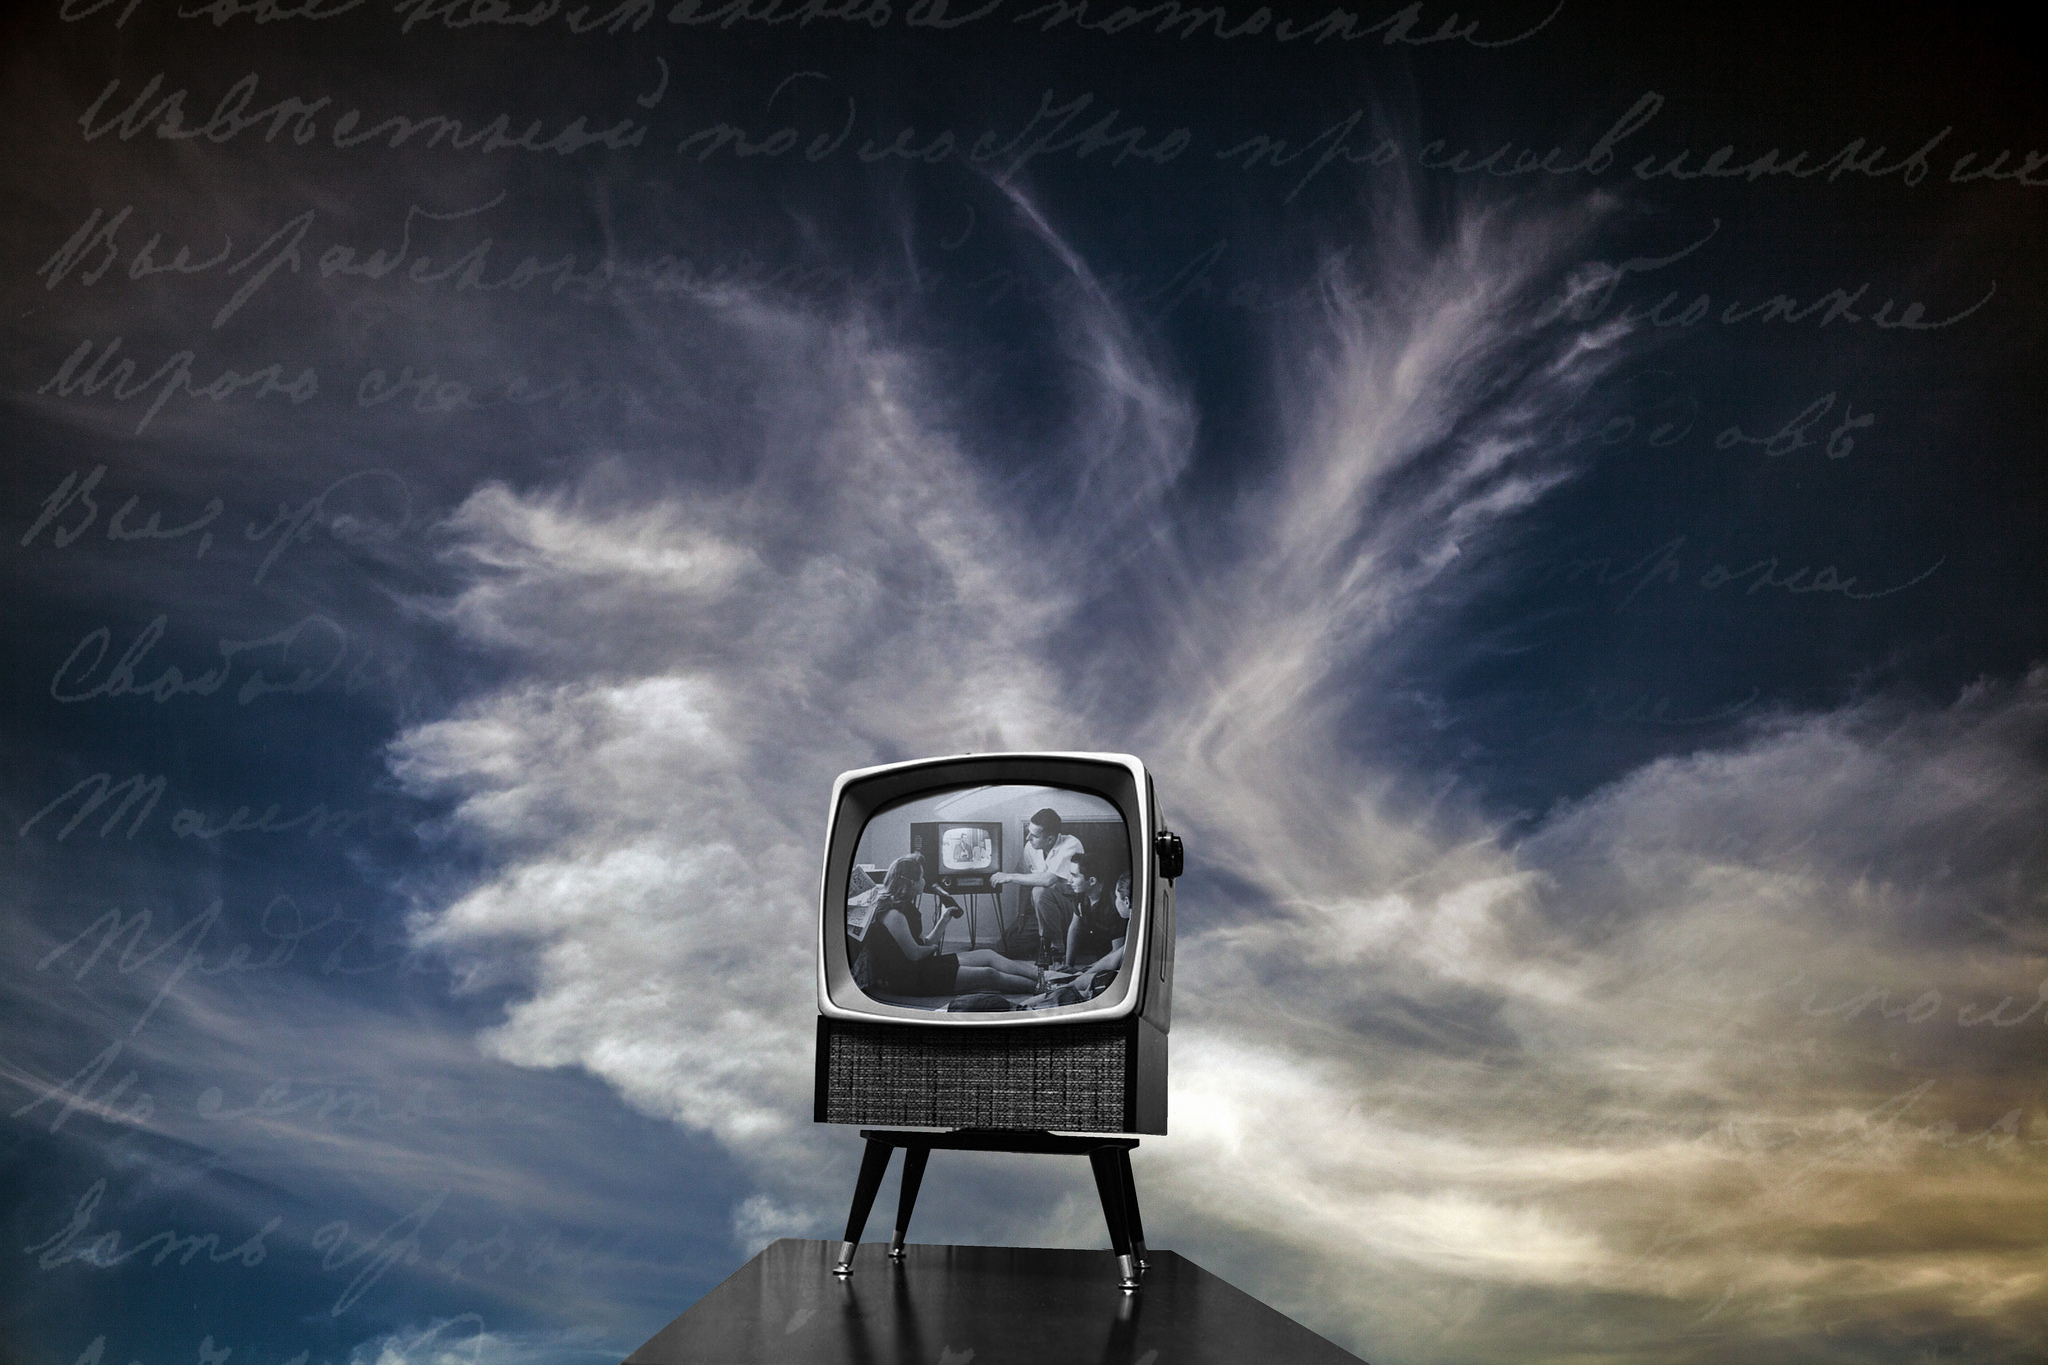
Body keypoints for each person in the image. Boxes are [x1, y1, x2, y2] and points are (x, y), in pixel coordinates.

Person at [853, 855, 1043, 998]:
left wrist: (944, 919)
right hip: (909, 979)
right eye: (922, 877)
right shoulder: (894, 914)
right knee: (988, 974)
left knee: (987, 955)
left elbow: (922, 943)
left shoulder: (905, 906)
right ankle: (1041, 988)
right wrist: (934, 948)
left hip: (921, 966)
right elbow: (916, 954)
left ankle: (1042, 976)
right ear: (911, 883)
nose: (925, 881)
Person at [991, 807, 1084, 967]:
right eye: (1028, 832)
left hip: (1071, 911)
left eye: (1034, 835)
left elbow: (1048, 880)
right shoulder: (1030, 847)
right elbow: (1026, 882)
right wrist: (1021, 916)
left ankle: (1057, 948)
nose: (1028, 838)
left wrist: (1009, 876)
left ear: (1050, 839)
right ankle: (1045, 942)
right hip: (1042, 913)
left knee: (1040, 891)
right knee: (1003, 948)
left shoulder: (1071, 844)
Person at [1063, 851, 1127, 971]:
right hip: (1097, 956)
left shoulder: (1115, 905)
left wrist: (1085, 970)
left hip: (1113, 963)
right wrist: (1068, 964)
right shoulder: (1080, 893)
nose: (1069, 880)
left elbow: (1116, 953)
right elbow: (1075, 928)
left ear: (1092, 881)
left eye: (1074, 876)